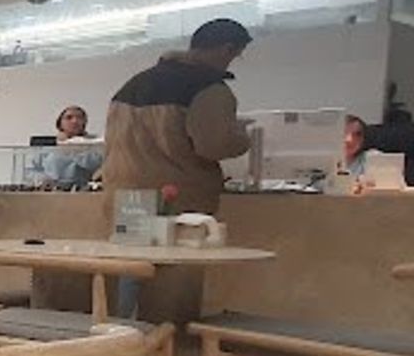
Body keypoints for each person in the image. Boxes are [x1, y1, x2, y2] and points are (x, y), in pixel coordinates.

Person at [104, 18, 253, 213]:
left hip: (123, 195)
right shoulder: (208, 88)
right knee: (178, 243)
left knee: (129, 243)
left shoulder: (133, 84)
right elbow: (214, 146)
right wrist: (243, 137)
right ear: (227, 49)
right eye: (236, 55)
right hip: (176, 197)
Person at [34, 104, 104, 189]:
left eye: (79, 117)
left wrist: (71, 145)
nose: (74, 121)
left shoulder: (94, 143)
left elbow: (94, 166)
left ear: (84, 122)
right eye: (69, 117)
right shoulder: (49, 145)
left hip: (83, 191)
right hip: (51, 191)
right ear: (60, 123)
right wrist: (42, 179)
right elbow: (33, 170)